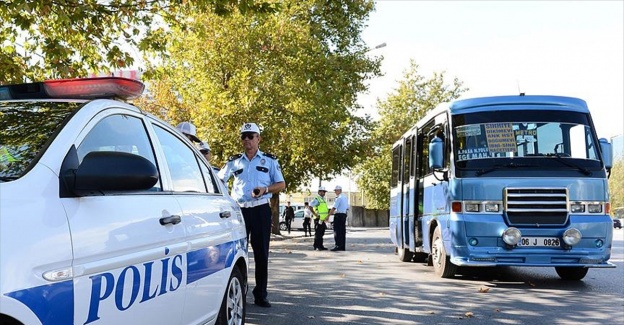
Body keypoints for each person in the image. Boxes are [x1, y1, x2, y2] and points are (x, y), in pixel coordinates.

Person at [218, 122, 285, 308]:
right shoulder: (234, 162)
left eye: (251, 136)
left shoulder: (269, 161)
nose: (247, 139)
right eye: (243, 136)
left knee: (261, 254)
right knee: (237, 253)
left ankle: (261, 294)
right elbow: (219, 180)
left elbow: (281, 184)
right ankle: (239, 291)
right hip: (239, 211)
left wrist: (265, 189)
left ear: (258, 138)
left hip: (260, 210)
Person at [328, 185, 349, 251]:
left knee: (337, 231)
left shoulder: (339, 198)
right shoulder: (345, 197)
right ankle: (342, 246)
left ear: (340, 190)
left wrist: (328, 216)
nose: (335, 192)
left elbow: (334, 208)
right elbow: (347, 207)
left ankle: (338, 245)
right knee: (342, 231)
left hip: (338, 215)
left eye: (336, 190)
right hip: (344, 214)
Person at [310, 186, 329, 251]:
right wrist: (315, 214)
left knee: (321, 233)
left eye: (324, 192)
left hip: (322, 219)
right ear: (319, 192)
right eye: (323, 192)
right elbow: (310, 206)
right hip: (318, 219)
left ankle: (321, 245)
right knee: (318, 233)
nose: (324, 193)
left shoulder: (323, 199)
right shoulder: (316, 199)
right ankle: (316, 246)